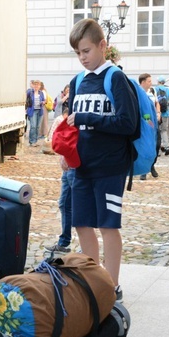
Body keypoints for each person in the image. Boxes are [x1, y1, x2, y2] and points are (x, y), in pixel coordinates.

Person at [66, 18, 137, 302]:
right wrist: (66, 151)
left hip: (110, 167)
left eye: (86, 51)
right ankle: (92, 280)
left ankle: (112, 285)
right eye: (78, 53)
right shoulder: (77, 81)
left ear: (102, 46)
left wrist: (87, 119)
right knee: (82, 223)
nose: (82, 58)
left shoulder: (115, 78)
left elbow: (128, 123)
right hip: (82, 166)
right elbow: (71, 124)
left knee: (108, 225)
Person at [44, 105, 76, 253]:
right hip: (68, 168)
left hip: (76, 168)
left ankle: (85, 246)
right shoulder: (65, 118)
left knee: (80, 207)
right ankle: (64, 242)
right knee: (64, 204)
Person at [138, 73, 160, 180]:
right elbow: (144, 112)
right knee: (146, 147)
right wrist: (149, 123)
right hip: (147, 125)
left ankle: (151, 166)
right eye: (149, 81)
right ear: (143, 82)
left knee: (156, 146)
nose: (151, 83)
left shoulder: (151, 92)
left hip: (154, 124)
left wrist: (158, 114)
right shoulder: (139, 93)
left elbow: (156, 103)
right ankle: (144, 170)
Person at [154, 76, 169, 154]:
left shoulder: (155, 89)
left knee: (156, 131)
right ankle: (166, 147)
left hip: (157, 113)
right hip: (165, 113)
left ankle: (158, 150)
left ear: (158, 82)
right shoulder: (168, 90)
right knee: (164, 130)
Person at [25, 80, 45, 146]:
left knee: (37, 126)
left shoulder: (41, 93)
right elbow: (26, 99)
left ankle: (35, 140)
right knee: (33, 126)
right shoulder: (30, 92)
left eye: (38, 85)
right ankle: (32, 141)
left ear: (40, 86)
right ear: (33, 85)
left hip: (39, 111)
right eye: (35, 84)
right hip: (32, 110)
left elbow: (44, 100)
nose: (36, 86)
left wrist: (43, 102)